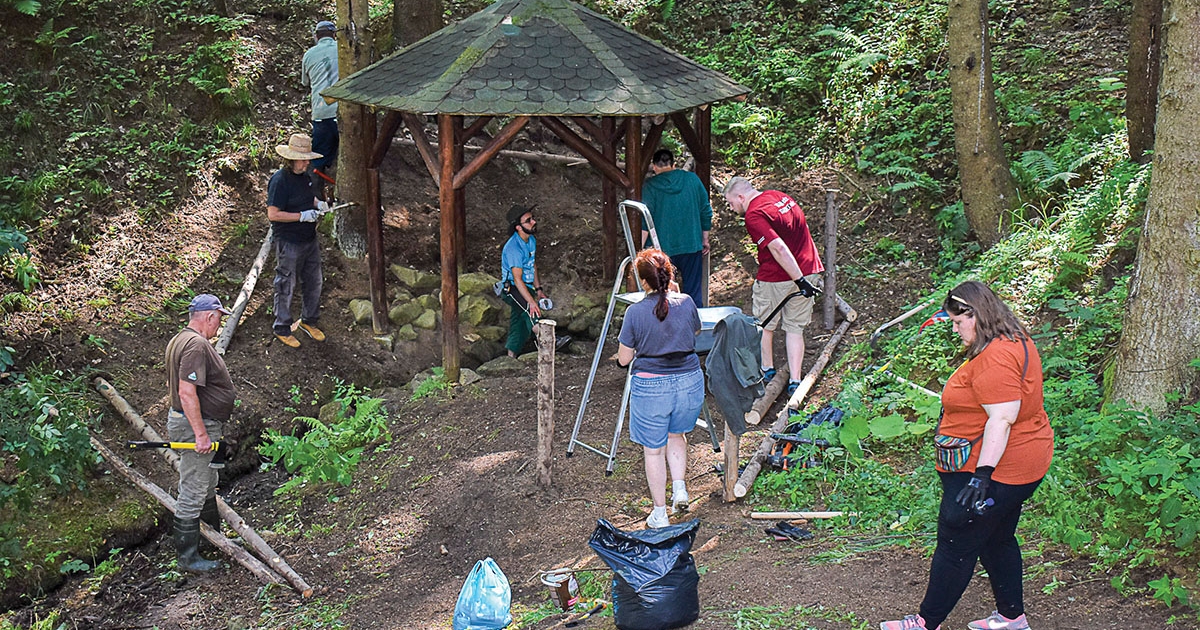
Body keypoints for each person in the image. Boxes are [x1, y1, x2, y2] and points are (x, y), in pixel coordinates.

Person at [880, 281, 1054, 630]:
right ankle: (1012, 618)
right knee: (996, 537)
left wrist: (981, 477)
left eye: (959, 322)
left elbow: (1002, 418)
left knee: (955, 538)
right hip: (1021, 458)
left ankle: (925, 623)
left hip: (998, 467)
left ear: (977, 314)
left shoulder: (996, 359)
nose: (955, 328)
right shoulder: (1013, 338)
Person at [616, 248, 703, 529]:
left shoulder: (635, 312)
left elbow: (624, 359)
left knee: (653, 450)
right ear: (668, 275)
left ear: (643, 282)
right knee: (677, 435)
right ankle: (680, 489)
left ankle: (660, 513)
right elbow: (695, 331)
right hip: (689, 381)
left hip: (652, 386)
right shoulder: (686, 302)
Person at [723, 177, 823, 398]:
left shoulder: (754, 215)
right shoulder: (780, 197)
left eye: (731, 203)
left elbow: (778, 248)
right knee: (795, 328)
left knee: (764, 325)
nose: (731, 208)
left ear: (741, 197)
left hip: (778, 277)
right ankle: (795, 380)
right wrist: (804, 277)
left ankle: (767, 371)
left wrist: (798, 280)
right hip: (808, 268)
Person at [166, 294, 237, 573]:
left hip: (199, 423)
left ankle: (211, 540)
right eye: (219, 319)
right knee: (194, 487)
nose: (219, 325)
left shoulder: (180, 339)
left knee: (207, 482)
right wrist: (200, 434)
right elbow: (186, 392)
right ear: (209, 316)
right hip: (196, 425)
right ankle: (188, 557)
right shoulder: (195, 345)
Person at [268, 133, 329, 348]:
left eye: (307, 159)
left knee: (314, 281)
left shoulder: (305, 177)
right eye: (302, 159)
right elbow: (273, 214)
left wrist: (319, 204)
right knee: (286, 283)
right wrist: (301, 216)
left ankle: (308, 320)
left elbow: (309, 198)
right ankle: (282, 327)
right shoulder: (279, 181)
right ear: (291, 159)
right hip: (289, 241)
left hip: (309, 239)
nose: (306, 163)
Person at [640, 149, 712, 305]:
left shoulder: (650, 187)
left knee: (662, 292)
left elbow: (644, 221)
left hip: (661, 251)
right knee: (693, 292)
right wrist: (704, 238)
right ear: (673, 165)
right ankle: (695, 317)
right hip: (691, 245)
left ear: (654, 167)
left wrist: (638, 252)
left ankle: (665, 318)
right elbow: (705, 209)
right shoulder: (692, 180)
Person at [500, 205, 546, 357]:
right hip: (512, 288)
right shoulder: (513, 248)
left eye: (532, 218)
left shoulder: (531, 240)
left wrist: (538, 290)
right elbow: (517, 279)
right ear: (518, 227)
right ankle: (548, 341)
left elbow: (533, 265)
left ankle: (510, 357)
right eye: (528, 220)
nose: (534, 222)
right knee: (530, 310)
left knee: (519, 322)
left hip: (526, 286)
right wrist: (531, 302)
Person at [301, 20, 339, 200]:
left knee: (317, 160)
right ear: (334, 35)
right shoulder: (343, 50)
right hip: (345, 112)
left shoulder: (309, 54)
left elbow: (305, 82)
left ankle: (317, 200)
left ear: (316, 36)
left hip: (321, 113)